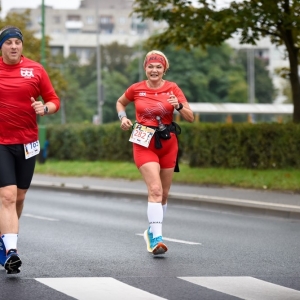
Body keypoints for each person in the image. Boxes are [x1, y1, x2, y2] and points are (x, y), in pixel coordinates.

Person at [116, 50, 194, 255]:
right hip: (143, 141)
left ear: (164, 69)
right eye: (150, 66)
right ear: (145, 68)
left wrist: (178, 106)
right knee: (155, 189)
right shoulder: (136, 88)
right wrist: (122, 118)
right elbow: (120, 102)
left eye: (158, 67)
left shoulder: (173, 88)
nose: (154, 70)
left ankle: (151, 230)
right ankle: (157, 238)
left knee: (164, 195)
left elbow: (190, 117)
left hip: (168, 142)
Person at [0, 25, 60, 274]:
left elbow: (54, 100)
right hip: (1, 143)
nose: (14, 46)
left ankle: (4, 238)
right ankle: (11, 252)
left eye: (17, 42)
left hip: (27, 143)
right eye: (8, 42)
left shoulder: (35, 69)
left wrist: (44, 109)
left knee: (20, 197)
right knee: (8, 196)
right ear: (1, 46)